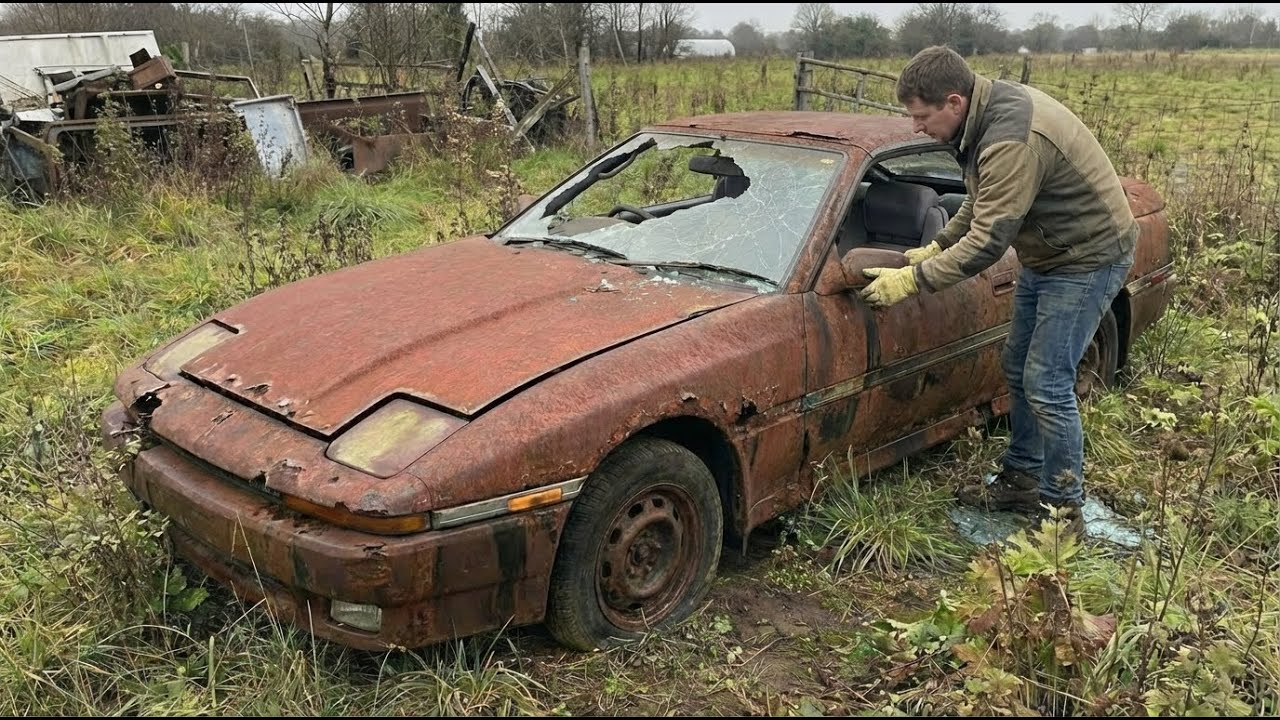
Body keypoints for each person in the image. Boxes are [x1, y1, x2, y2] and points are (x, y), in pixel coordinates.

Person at [857, 45, 1138, 536]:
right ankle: (1023, 476)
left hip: (1087, 256)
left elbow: (989, 241)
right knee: (1019, 365)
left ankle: (1062, 512)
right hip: (1049, 251)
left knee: (1049, 382)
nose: (916, 128)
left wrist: (915, 278)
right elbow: (982, 198)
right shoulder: (984, 117)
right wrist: (938, 244)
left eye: (922, 117)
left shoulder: (1011, 138)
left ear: (953, 102)